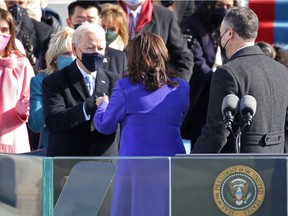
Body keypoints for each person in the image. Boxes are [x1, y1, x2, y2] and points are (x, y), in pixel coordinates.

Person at [94, 32, 189, 215]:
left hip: (136, 167)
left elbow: (105, 126)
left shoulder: (125, 87)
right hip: (171, 162)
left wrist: (102, 105)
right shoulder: (182, 87)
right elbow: (180, 118)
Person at [191, 7, 288, 153]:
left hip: (239, 169)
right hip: (276, 165)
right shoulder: (282, 71)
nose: (220, 40)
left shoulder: (227, 73)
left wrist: (190, 163)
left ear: (229, 33)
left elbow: (217, 132)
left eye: (220, 34)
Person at [42, 22, 120, 157]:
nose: (96, 53)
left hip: (107, 164)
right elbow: (54, 121)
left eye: (100, 48)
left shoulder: (116, 81)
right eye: (90, 48)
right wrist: (86, 107)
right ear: (74, 49)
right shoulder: (55, 82)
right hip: (69, 165)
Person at [180, 0, 235, 151]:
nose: (224, 10)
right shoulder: (192, 23)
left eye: (228, 7)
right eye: (220, 6)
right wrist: (219, 80)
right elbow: (196, 60)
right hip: (200, 93)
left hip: (227, 91)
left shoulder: (233, 25)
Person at [118, 0, 193, 82]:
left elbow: (184, 58)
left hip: (151, 86)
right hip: (113, 86)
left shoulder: (165, 17)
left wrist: (176, 88)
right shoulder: (105, 11)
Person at [28, 27, 75, 151]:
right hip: (51, 150)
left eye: (75, 53)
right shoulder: (40, 81)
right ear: (55, 57)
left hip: (82, 150)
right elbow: (35, 124)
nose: (72, 57)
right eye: (66, 53)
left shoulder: (88, 79)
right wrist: (54, 93)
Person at [0, 8, 34, 153]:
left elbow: (30, 98)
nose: (1, 34)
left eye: (4, 29)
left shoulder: (21, 63)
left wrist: (24, 109)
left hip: (13, 138)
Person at [66, 0, 127, 77]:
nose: (86, 25)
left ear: (99, 23)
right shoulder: (60, 56)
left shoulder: (117, 58)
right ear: (69, 23)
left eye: (91, 21)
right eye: (80, 21)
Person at [5, 0, 53, 71]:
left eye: (21, 3)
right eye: (11, 3)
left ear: (27, 3)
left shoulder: (44, 32)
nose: (16, 7)